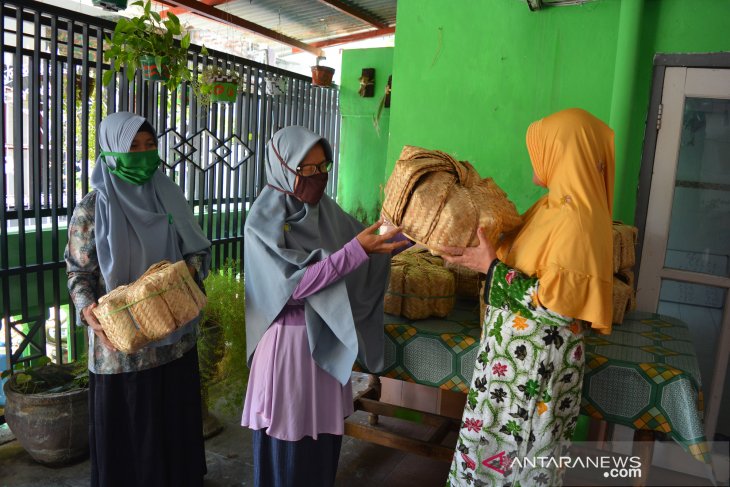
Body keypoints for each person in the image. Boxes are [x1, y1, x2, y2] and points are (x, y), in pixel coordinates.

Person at [440, 108, 614, 486]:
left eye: (542, 147)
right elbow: (512, 262)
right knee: (487, 457)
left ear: (564, 152)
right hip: (511, 367)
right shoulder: (552, 208)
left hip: (532, 373)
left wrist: (492, 269)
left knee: (515, 463)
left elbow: (556, 303)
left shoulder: (577, 220)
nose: (535, 156)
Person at [242, 126, 408, 487]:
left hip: (327, 344)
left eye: (323, 167)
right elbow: (295, 287)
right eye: (308, 169)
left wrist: (412, 233)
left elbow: (369, 248)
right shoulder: (262, 221)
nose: (318, 177)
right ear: (283, 166)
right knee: (288, 451)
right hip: (289, 350)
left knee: (321, 452)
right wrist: (356, 251)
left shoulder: (324, 211)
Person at [65, 111, 212, 486]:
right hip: (121, 350)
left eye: (150, 146)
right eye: (132, 147)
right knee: (129, 444)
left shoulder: (168, 194)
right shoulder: (92, 207)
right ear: (112, 150)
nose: (143, 155)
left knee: (173, 433)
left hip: (174, 341)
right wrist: (88, 310)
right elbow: (79, 274)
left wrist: (175, 281)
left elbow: (198, 251)